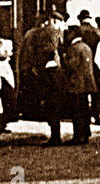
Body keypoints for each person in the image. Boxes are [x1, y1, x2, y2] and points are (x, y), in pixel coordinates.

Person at [20, 10, 67, 145]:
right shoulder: (55, 32)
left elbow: (48, 51)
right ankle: (55, 135)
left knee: (51, 105)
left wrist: (37, 68)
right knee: (54, 105)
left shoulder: (48, 32)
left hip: (50, 73)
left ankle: (55, 136)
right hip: (56, 71)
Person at [62, 26, 97, 145]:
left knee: (76, 111)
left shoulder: (74, 48)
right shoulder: (86, 47)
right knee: (85, 109)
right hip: (87, 84)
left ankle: (78, 136)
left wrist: (64, 59)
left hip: (76, 84)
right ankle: (85, 134)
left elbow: (72, 65)